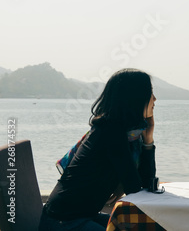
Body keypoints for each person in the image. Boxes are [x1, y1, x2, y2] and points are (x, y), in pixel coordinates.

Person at [39, 68, 157, 231]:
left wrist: (148, 141)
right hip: (63, 221)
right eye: (150, 93)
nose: (155, 99)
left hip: (82, 216)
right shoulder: (111, 131)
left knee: (149, 227)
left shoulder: (127, 133)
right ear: (135, 98)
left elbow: (145, 184)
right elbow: (135, 190)